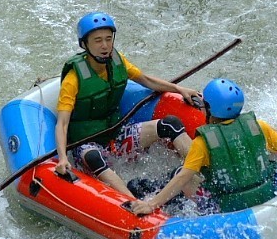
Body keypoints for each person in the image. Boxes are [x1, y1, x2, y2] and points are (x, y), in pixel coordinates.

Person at [54, 11, 201, 196]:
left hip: (116, 137)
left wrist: (179, 89)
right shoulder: (73, 79)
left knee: (171, 124)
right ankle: (133, 202)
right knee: (93, 156)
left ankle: (198, 175)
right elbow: (62, 123)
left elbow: (146, 80)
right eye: (98, 40)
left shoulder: (118, 61)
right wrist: (61, 158)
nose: (105, 45)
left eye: (108, 39)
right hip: (88, 144)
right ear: (84, 44)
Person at [130, 78, 277, 216]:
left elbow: (183, 178)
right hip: (265, 195)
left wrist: (151, 204)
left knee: (178, 173)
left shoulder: (202, 143)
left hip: (228, 207)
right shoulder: (259, 126)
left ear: (209, 109)